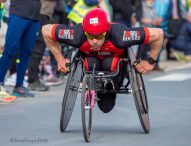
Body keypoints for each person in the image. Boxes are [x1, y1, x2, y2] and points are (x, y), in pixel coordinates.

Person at [42, 8, 163, 113]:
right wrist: (60, 59)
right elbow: (46, 30)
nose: (94, 41)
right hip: (91, 60)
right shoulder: (76, 35)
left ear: (106, 32)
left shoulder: (121, 35)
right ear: (84, 32)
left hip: (115, 63)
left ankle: (111, 86)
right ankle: (93, 85)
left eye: (99, 36)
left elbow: (158, 33)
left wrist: (151, 62)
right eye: (90, 36)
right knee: (90, 65)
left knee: (106, 99)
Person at [0, 0, 40, 97]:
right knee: (10, 48)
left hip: (35, 17)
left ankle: (19, 86)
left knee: (27, 52)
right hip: (18, 14)